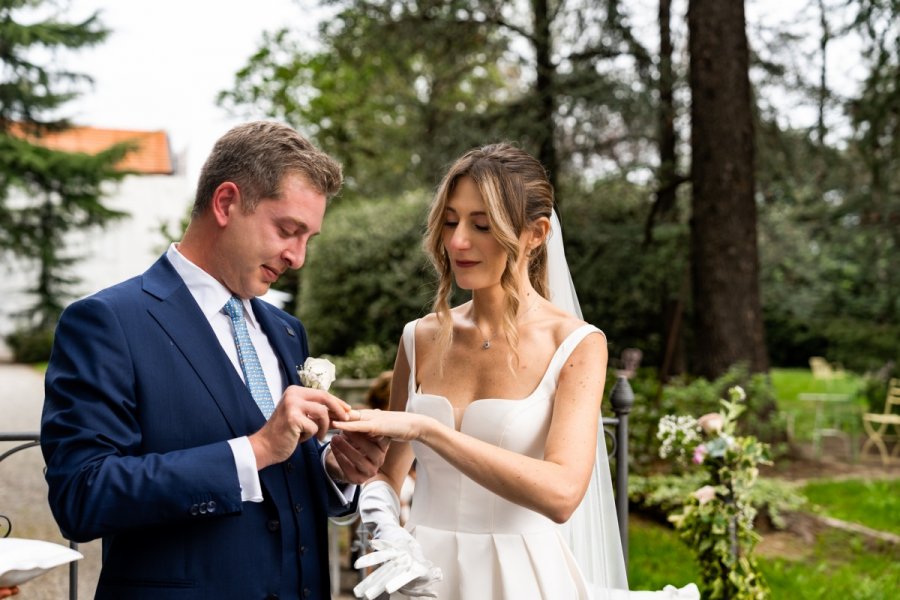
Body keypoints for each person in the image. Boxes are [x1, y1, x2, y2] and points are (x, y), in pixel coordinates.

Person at [40, 121, 387, 599]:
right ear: (226, 203)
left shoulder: (288, 332)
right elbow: (82, 496)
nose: (299, 257)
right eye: (288, 230)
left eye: (310, 238)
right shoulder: (107, 322)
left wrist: (333, 471)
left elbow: (283, 483)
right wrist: (255, 449)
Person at [335, 143, 698, 599]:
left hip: (520, 577)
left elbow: (563, 493)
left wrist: (429, 429)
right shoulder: (418, 337)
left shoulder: (576, 345)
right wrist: (387, 529)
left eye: (481, 225)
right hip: (421, 576)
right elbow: (387, 475)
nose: (457, 241)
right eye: (450, 221)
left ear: (536, 234)